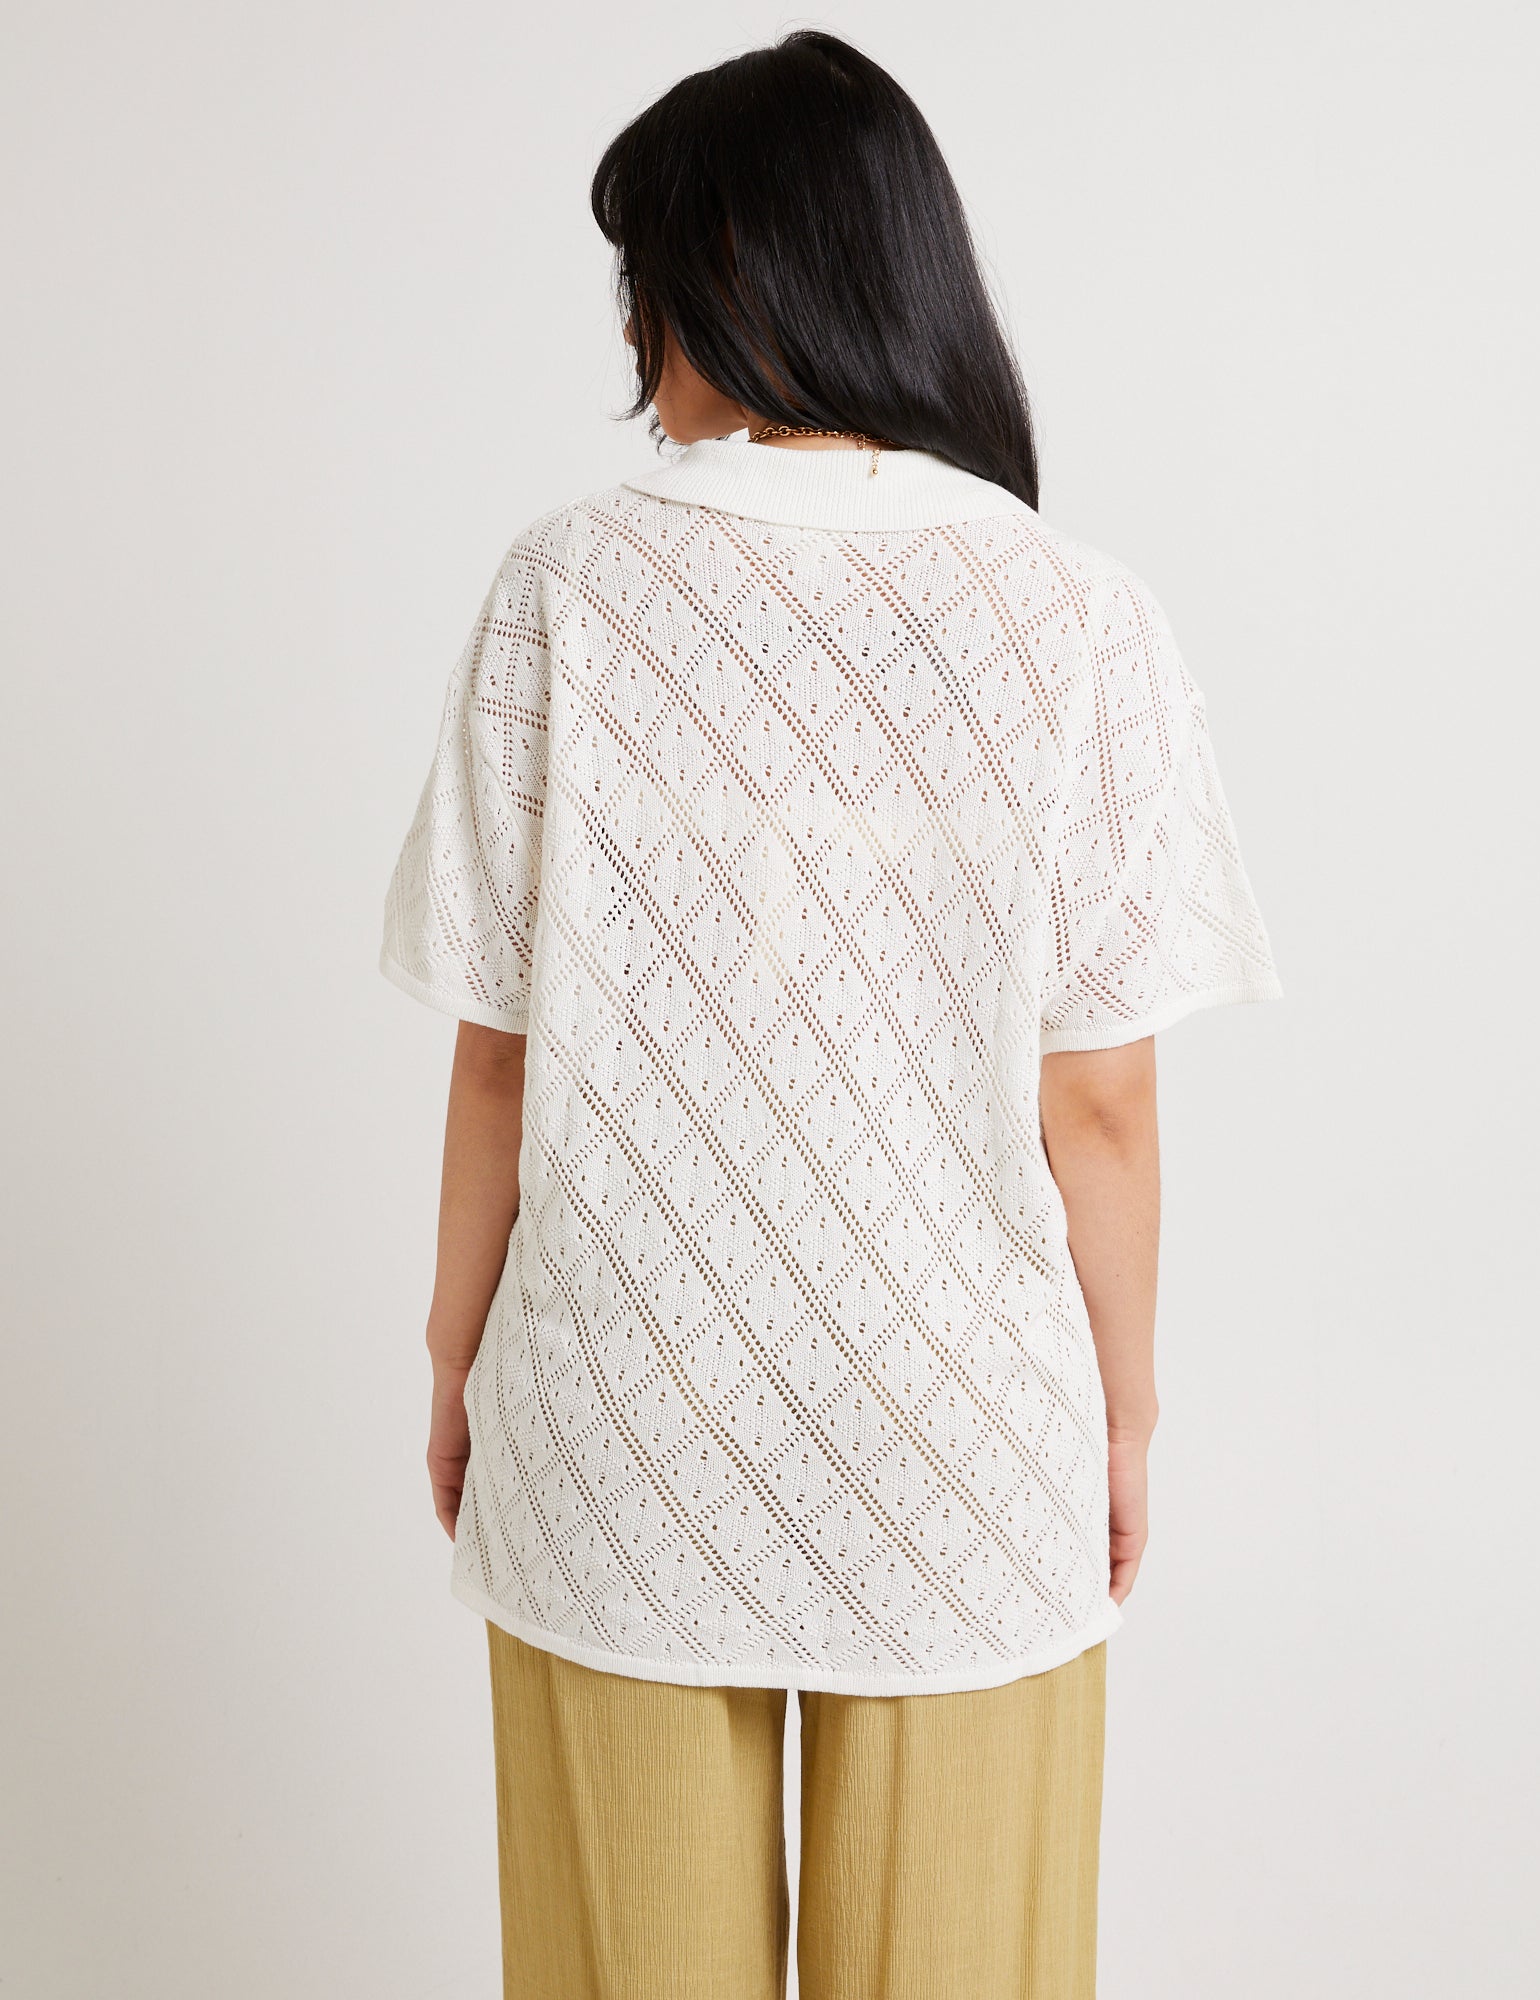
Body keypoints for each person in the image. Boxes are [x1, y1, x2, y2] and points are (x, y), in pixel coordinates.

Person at [378, 29, 1282, 2000]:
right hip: (963, 1437)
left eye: (644, 276)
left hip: (619, 1415)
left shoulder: (565, 589)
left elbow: (500, 1053)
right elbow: (1100, 1103)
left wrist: (452, 1354)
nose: (635, 337)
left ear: (734, 269)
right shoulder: (1078, 616)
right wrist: (1121, 1411)